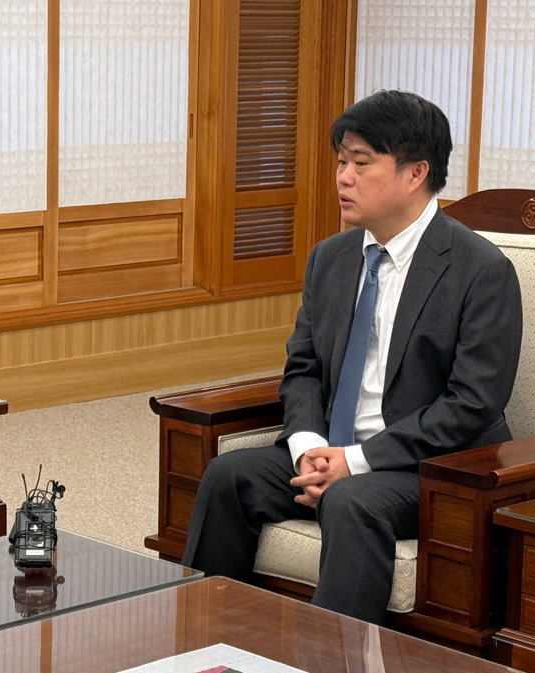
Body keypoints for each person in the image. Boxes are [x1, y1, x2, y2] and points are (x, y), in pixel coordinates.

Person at [181, 90, 523, 624]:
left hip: (431, 469)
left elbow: (472, 403)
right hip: (332, 450)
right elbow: (303, 370)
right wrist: (310, 448)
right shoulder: (332, 258)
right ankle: (208, 642)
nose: (343, 176)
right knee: (229, 476)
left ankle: (330, 660)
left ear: (415, 174)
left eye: (361, 163)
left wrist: (356, 462)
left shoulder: (480, 270)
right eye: (342, 161)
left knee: (351, 500)